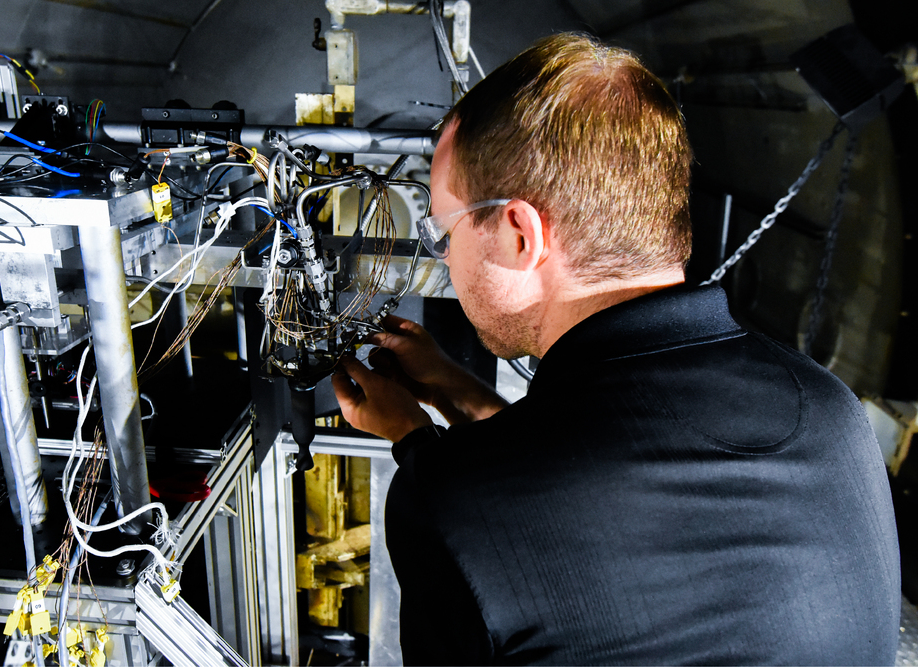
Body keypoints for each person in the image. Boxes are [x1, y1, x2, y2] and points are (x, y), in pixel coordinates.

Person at [332, 32, 900, 665]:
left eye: (446, 229)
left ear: (521, 233)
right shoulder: (829, 409)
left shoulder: (448, 510)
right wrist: (449, 396)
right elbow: (628, 510)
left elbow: (548, 514)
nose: (444, 256)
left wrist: (419, 454)